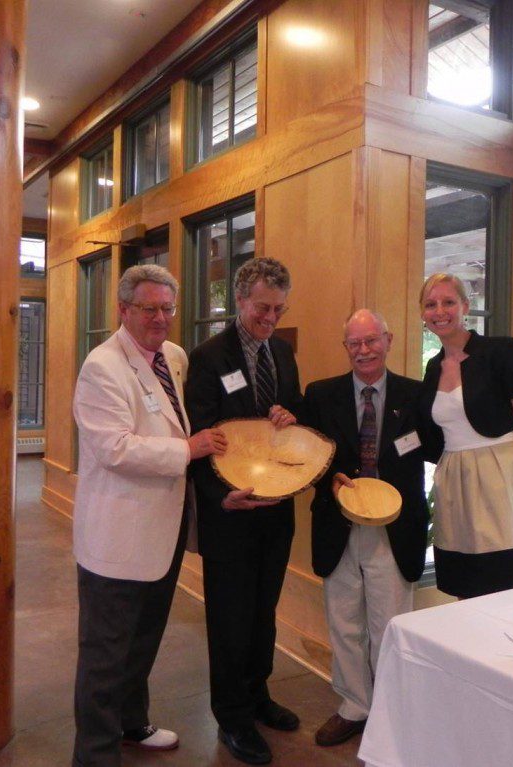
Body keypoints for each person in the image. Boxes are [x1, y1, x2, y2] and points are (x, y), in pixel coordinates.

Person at [71, 264, 227, 767]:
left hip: (164, 531)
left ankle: (132, 722)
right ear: (123, 310)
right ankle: (94, 754)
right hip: (117, 536)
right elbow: (114, 448)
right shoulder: (102, 366)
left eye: (167, 308)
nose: (160, 318)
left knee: (143, 640)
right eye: (149, 309)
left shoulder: (173, 357)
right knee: (105, 655)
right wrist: (189, 449)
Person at [185, 257, 303, 766]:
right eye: (261, 308)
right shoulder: (209, 357)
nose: (270, 318)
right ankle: (231, 713)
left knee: (263, 611)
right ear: (239, 300)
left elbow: (294, 416)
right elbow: (201, 436)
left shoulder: (283, 352)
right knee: (230, 617)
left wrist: (287, 414)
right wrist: (219, 499)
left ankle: (258, 695)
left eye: (278, 309)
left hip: (275, 509)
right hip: (229, 512)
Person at [302, 309, 428, 747]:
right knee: (344, 620)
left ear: (388, 340)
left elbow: (441, 448)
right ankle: (355, 705)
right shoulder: (320, 394)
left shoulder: (417, 394)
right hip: (339, 523)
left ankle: (393, 706)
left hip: (396, 526)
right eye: (354, 343)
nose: (363, 350)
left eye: (371, 340)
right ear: (346, 349)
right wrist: (330, 475)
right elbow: (308, 455)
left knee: (390, 620)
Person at [417, 272, 513, 599]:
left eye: (449, 302)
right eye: (431, 304)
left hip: (501, 481)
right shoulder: (433, 368)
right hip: (454, 486)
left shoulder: (502, 352)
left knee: (508, 591)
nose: (440, 311)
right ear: (422, 314)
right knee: (466, 591)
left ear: (465, 306)